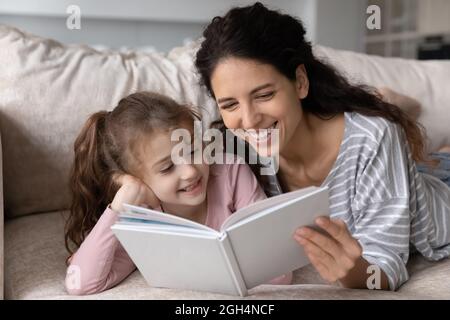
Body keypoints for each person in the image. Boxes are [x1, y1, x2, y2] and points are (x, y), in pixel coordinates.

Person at [195, 2, 450, 290]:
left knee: (431, 156)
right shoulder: (234, 147)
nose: (250, 120)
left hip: (439, 194)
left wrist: (352, 271)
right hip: (405, 167)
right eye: (229, 104)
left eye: (264, 95)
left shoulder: (373, 136)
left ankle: (403, 114)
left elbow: (384, 262)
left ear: (300, 82)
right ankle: (394, 105)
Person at [64, 91, 291, 295]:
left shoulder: (230, 171)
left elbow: (279, 273)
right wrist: (118, 208)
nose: (190, 171)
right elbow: (81, 284)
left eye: (193, 150)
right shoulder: (140, 216)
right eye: (167, 168)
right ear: (136, 179)